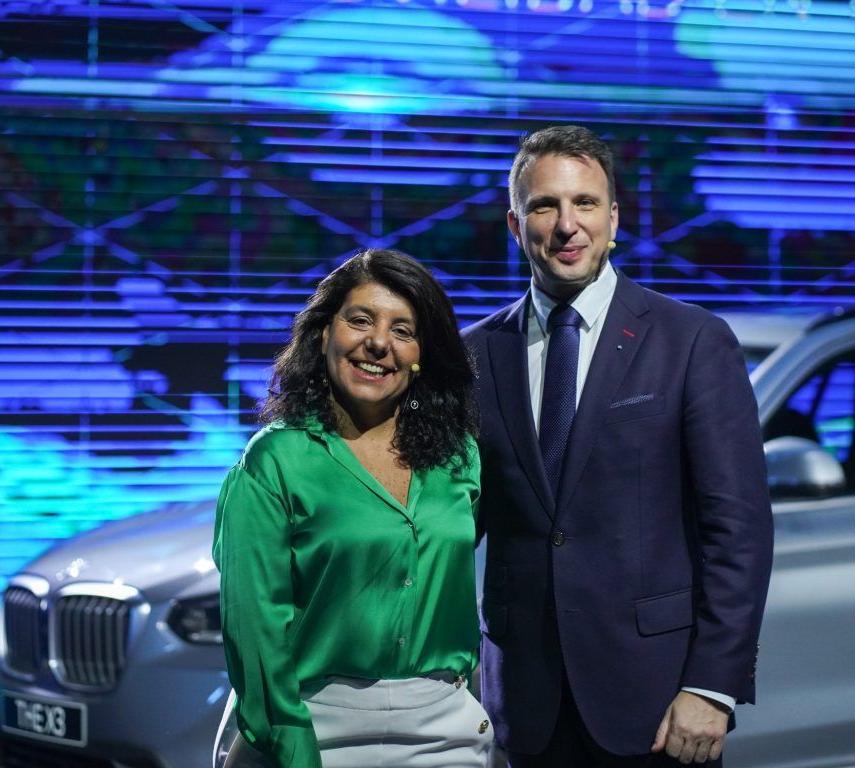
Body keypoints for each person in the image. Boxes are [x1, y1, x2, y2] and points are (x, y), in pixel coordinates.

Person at [463, 125, 774, 767]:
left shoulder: (692, 341)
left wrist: (712, 686)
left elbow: (737, 531)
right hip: (523, 707)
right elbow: (450, 523)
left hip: (660, 704)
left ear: (614, 219)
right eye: (544, 206)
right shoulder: (473, 356)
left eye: (585, 203)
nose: (566, 225)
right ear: (516, 226)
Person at [212, 248, 490, 768]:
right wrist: (290, 744)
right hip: (312, 725)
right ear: (324, 334)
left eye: (403, 330)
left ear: (422, 355)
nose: (379, 342)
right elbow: (253, 625)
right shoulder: (275, 459)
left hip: (444, 731)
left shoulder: (460, 457)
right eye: (360, 320)